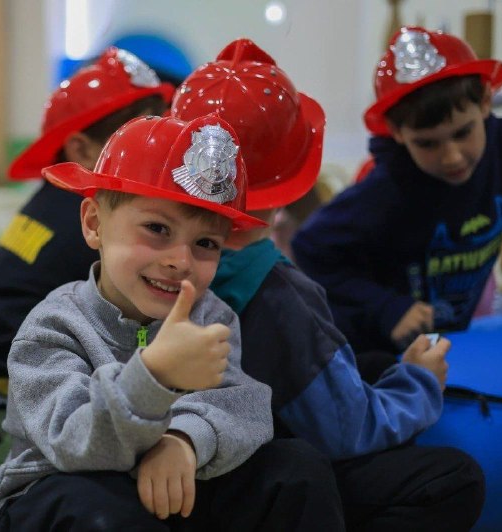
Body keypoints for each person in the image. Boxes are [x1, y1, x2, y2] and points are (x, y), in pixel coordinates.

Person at [0, 114, 346, 531]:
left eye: (205, 243)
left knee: (296, 468)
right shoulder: (53, 324)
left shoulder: (211, 315)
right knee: (95, 507)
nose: (180, 261)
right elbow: (75, 444)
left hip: (167, 491)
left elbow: (243, 407)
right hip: (57, 494)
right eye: (157, 228)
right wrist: (153, 377)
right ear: (94, 224)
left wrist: (184, 439)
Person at [172, 38, 486, 531]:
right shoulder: (282, 297)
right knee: (455, 478)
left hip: (182, 473)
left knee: (374, 365)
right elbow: (347, 431)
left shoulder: (161, 266)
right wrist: (421, 381)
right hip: (264, 486)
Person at [292, 26, 502, 360]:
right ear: (397, 131)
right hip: (382, 355)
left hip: (456, 342)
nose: (452, 157)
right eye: (428, 143)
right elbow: (309, 245)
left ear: (485, 102)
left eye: (462, 133)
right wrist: (387, 307)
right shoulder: (385, 188)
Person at [0, 48, 174, 397]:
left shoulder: (52, 199)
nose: (157, 152)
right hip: (27, 380)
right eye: (136, 139)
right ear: (81, 150)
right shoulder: (93, 216)